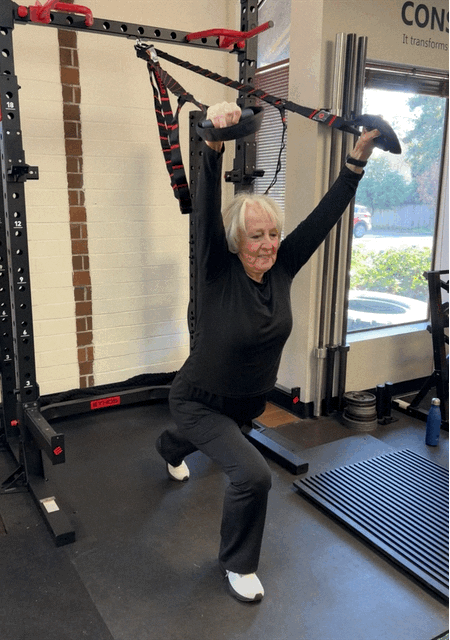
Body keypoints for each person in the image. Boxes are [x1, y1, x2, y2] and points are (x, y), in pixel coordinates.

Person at [156, 101, 380, 602]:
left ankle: (171, 447)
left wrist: (357, 159)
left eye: (273, 233)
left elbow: (324, 218)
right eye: (256, 236)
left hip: (243, 407)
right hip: (198, 399)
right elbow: (207, 209)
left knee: (200, 443)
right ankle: (237, 565)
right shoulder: (217, 270)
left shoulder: (281, 269)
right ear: (236, 240)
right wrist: (214, 143)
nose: (268, 244)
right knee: (252, 476)